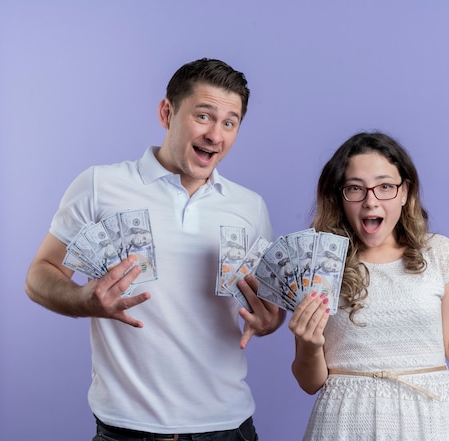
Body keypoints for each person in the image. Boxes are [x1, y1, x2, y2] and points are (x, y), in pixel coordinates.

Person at [25, 58, 286, 441]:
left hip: (229, 428)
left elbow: (268, 310)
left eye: (229, 123)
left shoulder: (251, 207)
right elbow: (39, 274)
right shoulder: (100, 185)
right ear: (167, 112)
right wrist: (85, 299)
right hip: (127, 430)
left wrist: (269, 323)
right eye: (204, 116)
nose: (216, 134)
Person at [288, 131, 449, 440]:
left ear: (405, 192)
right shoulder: (319, 263)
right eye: (355, 188)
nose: (371, 201)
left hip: (428, 421)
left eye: (385, 187)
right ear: (340, 196)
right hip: (344, 424)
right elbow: (310, 382)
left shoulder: (439, 254)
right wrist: (310, 345)